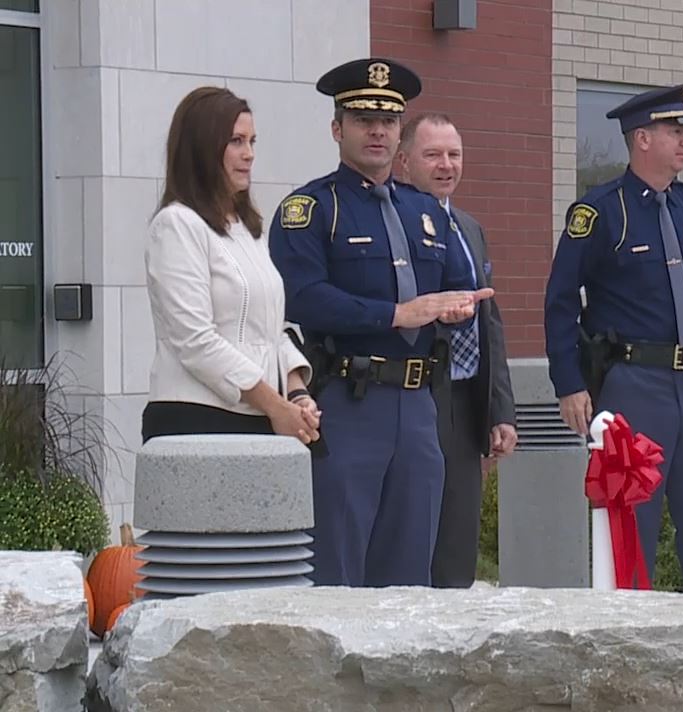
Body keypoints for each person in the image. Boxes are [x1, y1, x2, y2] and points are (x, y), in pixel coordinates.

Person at [268, 58, 494, 587]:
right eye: (362, 118)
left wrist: (459, 307)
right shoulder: (312, 209)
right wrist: (395, 315)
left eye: (388, 121)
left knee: (410, 573)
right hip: (347, 402)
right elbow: (300, 298)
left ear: (399, 133)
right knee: (338, 569)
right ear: (336, 128)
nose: (377, 130)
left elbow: (460, 286)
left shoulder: (427, 211)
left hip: (418, 407)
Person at [543, 84, 683, 593]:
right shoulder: (600, 212)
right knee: (629, 525)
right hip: (635, 386)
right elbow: (561, 300)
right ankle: (627, 637)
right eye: (675, 132)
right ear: (642, 139)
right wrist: (569, 383)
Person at [144, 86, 320, 446]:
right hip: (197, 417)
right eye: (236, 141)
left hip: (261, 415)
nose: (249, 154)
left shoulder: (246, 229)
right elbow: (195, 340)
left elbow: (273, 330)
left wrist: (297, 394)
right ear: (203, 149)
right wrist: (275, 405)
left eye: (253, 141)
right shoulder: (177, 225)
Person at [394, 112, 518, 588]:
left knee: (458, 541)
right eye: (433, 155)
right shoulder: (398, 223)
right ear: (404, 161)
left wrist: (500, 410)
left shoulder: (469, 227)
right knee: (415, 540)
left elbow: (491, 322)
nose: (446, 165)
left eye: (454, 154)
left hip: (468, 402)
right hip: (421, 396)